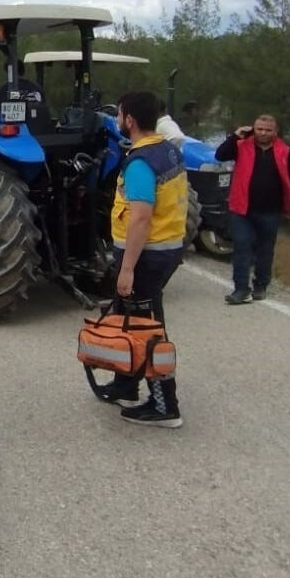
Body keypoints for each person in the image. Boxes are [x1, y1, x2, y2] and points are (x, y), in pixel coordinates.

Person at [97, 91, 190, 428]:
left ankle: (165, 405)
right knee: (129, 320)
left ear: (129, 120)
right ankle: (126, 385)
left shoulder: (140, 162)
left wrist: (126, 269)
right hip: (167, 249)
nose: (118, 120)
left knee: (147, 330)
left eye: (120, 115)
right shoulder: (167, 149)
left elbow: (140, 218)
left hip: (147, 257)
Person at [215, 114, 290, 304]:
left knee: (264, 250)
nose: (263, 133)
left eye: (267, 130)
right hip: (242, 208)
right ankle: (241, 289)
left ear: (275, 132)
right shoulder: (241, 146)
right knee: (242, 246)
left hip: (270, 210)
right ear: (253, 129)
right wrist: (235, 136)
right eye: (259, 129)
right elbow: (220, 155)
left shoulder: (284, 152)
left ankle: (261, 284)